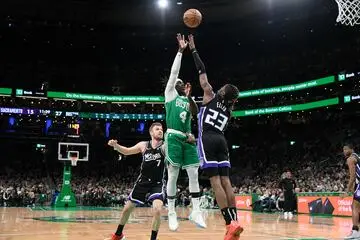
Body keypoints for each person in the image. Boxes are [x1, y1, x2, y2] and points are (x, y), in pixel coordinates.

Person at [187, 34, 243, 240]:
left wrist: (193, 50)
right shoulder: (229, 111)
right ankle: (235, 220)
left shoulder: (209, 94)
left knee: (215, 182)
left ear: (222, 92)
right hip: (221, 140)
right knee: (226, 181)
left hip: (208, 139)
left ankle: (228, 224)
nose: (219, 87)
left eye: (223, 88)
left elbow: (201, 71)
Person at [164, 33, 206, 231]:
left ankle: (196, 210)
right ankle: (172, 211)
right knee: (172, 175)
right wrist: (181, 51)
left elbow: (196, 112)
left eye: (182, 83)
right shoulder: (170, 94)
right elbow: (173, 74)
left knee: (194, 174)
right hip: (173, 136)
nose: (181, 84)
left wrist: (190, 97)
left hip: (188, 138)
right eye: (179, 83)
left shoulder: (186, 99)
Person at [106, 122, 166, 240]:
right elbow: (127, 151)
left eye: (162, 129)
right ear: (151, 132)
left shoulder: (165, 146)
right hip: (142, 182)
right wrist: (116, 146)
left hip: (157, 183)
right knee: (127, 209)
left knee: (158, 210)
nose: (160, 131)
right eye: (157, 129)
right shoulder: (144, 145)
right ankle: (118, 235)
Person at [342, 143, 360, 239]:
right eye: (343, 149)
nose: (344, 151)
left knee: (355, 207)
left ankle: (355, 231)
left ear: (351, 149)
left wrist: (347, 191)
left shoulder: (350, 159)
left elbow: (352, 177)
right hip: (358, 185)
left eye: (346, 149)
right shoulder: (358, 156)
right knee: (354, 206)